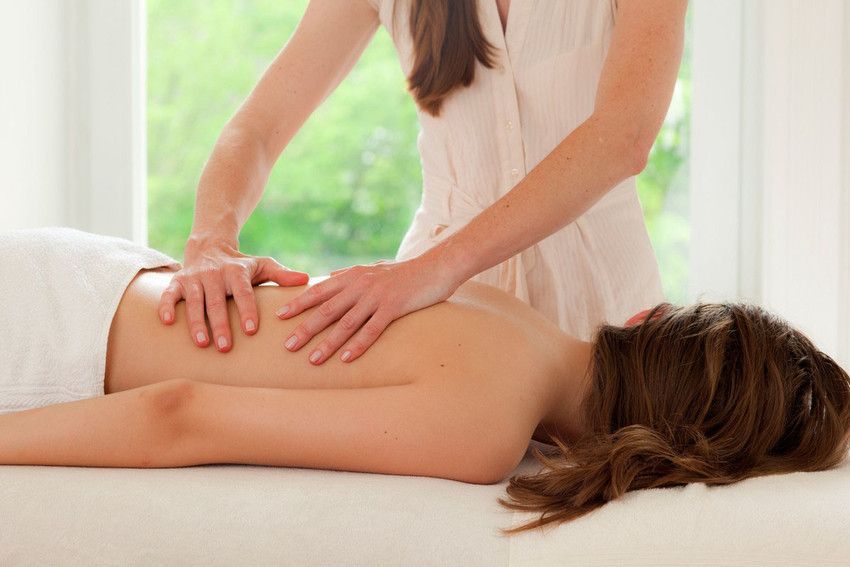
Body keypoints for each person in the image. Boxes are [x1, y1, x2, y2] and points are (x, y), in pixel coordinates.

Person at [2, 227, 849, 536]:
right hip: (45, 339)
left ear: (651, 319)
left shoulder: (501, 306)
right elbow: (179, 413)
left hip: (89, 271)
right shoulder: (485, 425)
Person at [156, 0, 688, 368]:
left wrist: (433, 271)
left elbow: (623, 136)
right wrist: (211, 240)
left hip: (602, 308)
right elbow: (258, 129)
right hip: (437, 313)